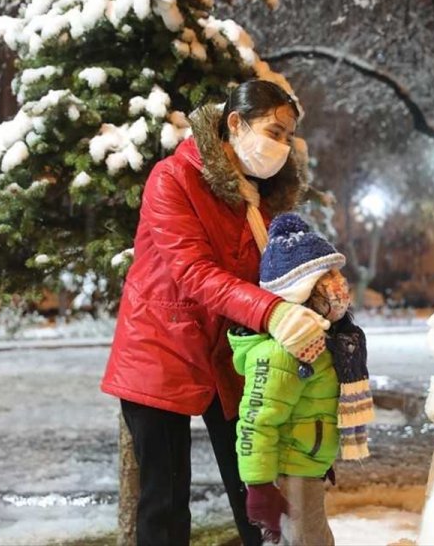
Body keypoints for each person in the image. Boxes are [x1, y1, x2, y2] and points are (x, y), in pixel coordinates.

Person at [101, 79, 332, 545]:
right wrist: (272, 314)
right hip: (161, 350)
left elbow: (277, 272)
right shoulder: (173, 178)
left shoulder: (259, 199)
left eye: (288, 137)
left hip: (231, 356)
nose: (282, 146)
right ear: (235, 123)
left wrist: (320, 290)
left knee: (257, 490)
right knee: (164, 505)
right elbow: (192, 272)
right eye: (274, 131)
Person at [229, 213, 373, 544]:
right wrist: (260, 485)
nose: (338, 286)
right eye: (325, 278)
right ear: (298, 293)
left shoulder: (326, 343)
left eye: (336, 273)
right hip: (287, 474)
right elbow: (255, 422)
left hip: (304, 468)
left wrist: (318, 452)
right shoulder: (281, 354)